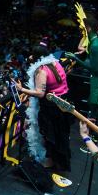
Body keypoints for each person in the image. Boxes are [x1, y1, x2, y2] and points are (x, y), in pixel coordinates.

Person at [15, 43, 72, 171]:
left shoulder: (41, 70)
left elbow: (40, 93)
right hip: (61, 103)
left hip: (51, 106)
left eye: (32, 55)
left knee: (49, 133)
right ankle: (56, 160)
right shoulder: (55, 63)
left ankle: (50, 162)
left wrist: (21, 89)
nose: (30, 56)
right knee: (58, 133)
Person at [67, 17, 98, 115]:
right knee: (93, 108)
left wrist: (75, 58)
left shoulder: (95, 45)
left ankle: (97, 130)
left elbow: (94, 68)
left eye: (82, 29)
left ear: (88, 29)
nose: (80, 31)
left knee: (96, 113)